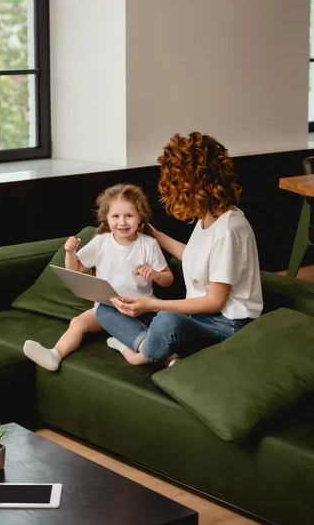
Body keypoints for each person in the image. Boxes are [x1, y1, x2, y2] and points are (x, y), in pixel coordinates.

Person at [97, 131, 263, 366]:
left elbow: (215, 302)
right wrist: (155, 234)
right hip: (201, 319)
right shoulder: (209, 216)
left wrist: (153, 305)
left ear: (196, 185)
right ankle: (151, 348)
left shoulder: (228, 229)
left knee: (166, 321)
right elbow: (196, 257)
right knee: (104, 310)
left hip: (227, 326)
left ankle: (136, 352)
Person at [23, 183, 174, 371]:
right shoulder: (101, 242)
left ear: (140, 217)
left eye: (129, 216)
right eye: (115, 216)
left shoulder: (148, 244)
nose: (122, 222)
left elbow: (168, 279)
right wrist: (70, 253)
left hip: (141, 307)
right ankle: (55, 354)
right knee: (78, 322)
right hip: (108, 307)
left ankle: (163, 358)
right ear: (106, 218)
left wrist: (155, 274)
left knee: (155, 331)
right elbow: (75, 269)